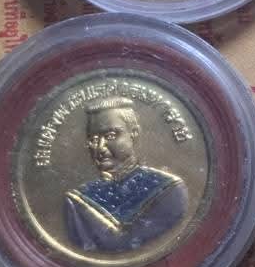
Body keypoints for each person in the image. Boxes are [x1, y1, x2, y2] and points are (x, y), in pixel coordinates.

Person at [64, 97, 187, 253]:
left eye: (110, 136)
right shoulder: (77, 200)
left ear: (134, 133)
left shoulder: (169, 190)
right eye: (94, 139)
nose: (100, 147)